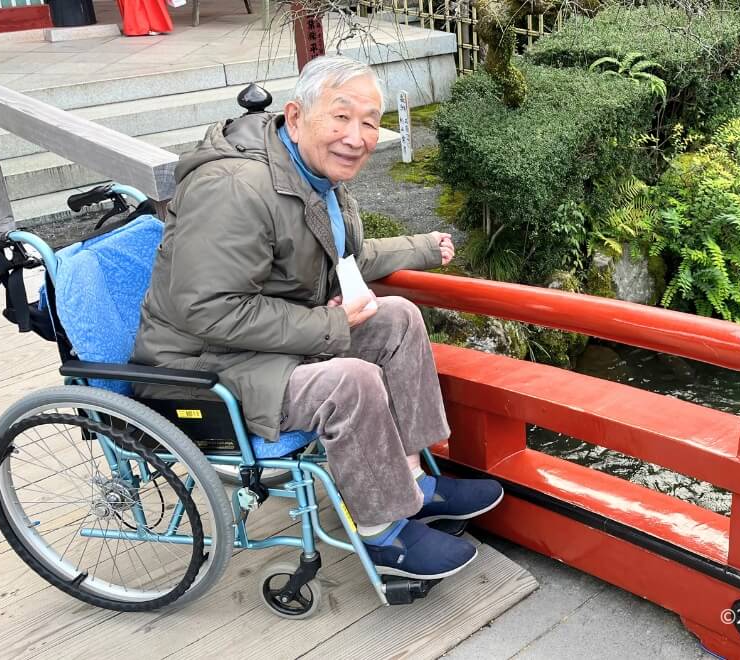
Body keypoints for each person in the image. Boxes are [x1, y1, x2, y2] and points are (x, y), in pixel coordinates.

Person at [132, 55, 503, 580]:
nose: (357, 136)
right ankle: (381, 532)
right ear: (296, 115)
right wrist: (329, 325)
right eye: (341, 117)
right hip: (200, 369)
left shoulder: (309, 169)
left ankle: (412, 480)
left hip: (264, 345)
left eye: (370, 121)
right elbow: (205, 310)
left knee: (397, 318)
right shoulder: (236, 188)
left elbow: (340, 257)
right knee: (350, 381)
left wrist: (421, 247)